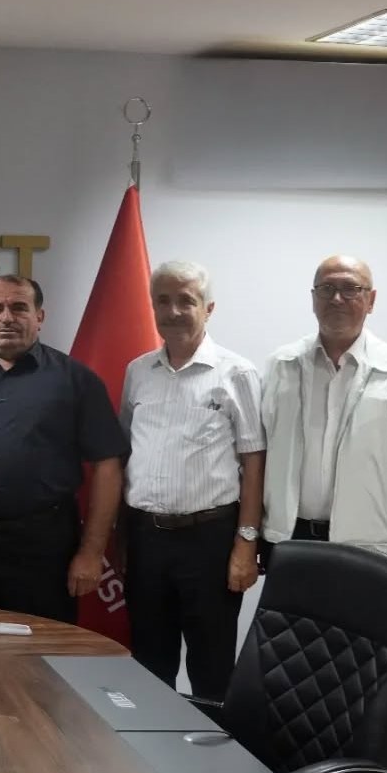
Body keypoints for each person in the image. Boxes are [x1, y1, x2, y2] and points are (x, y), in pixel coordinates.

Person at [0, 274, 127, 623]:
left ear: (39, 316)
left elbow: (107, 466)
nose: (7, 317)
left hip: (44, 552)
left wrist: (92, 552)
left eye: (19, 307)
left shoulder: (76, 380)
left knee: (43, 652)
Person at [120, 261, 264, 698]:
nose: (174, 311)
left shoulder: (237, 373)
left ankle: (210, 744)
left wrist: (246, 542)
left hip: (210, 540)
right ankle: (152, 741)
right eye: (163, 300)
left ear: (208, 308)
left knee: (211, 666)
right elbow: (127, 449)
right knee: (148, 662)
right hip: (146, 539)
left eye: (186, 300)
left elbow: (254, 461)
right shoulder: (137, 372)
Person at [261, 255, 387, 566]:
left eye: (351, 289)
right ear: (313, 298)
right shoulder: (281, 365)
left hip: (373, 545)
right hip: (288, 539)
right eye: (326, 289)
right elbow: (258, 454)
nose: (337, 299)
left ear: (371, 300)